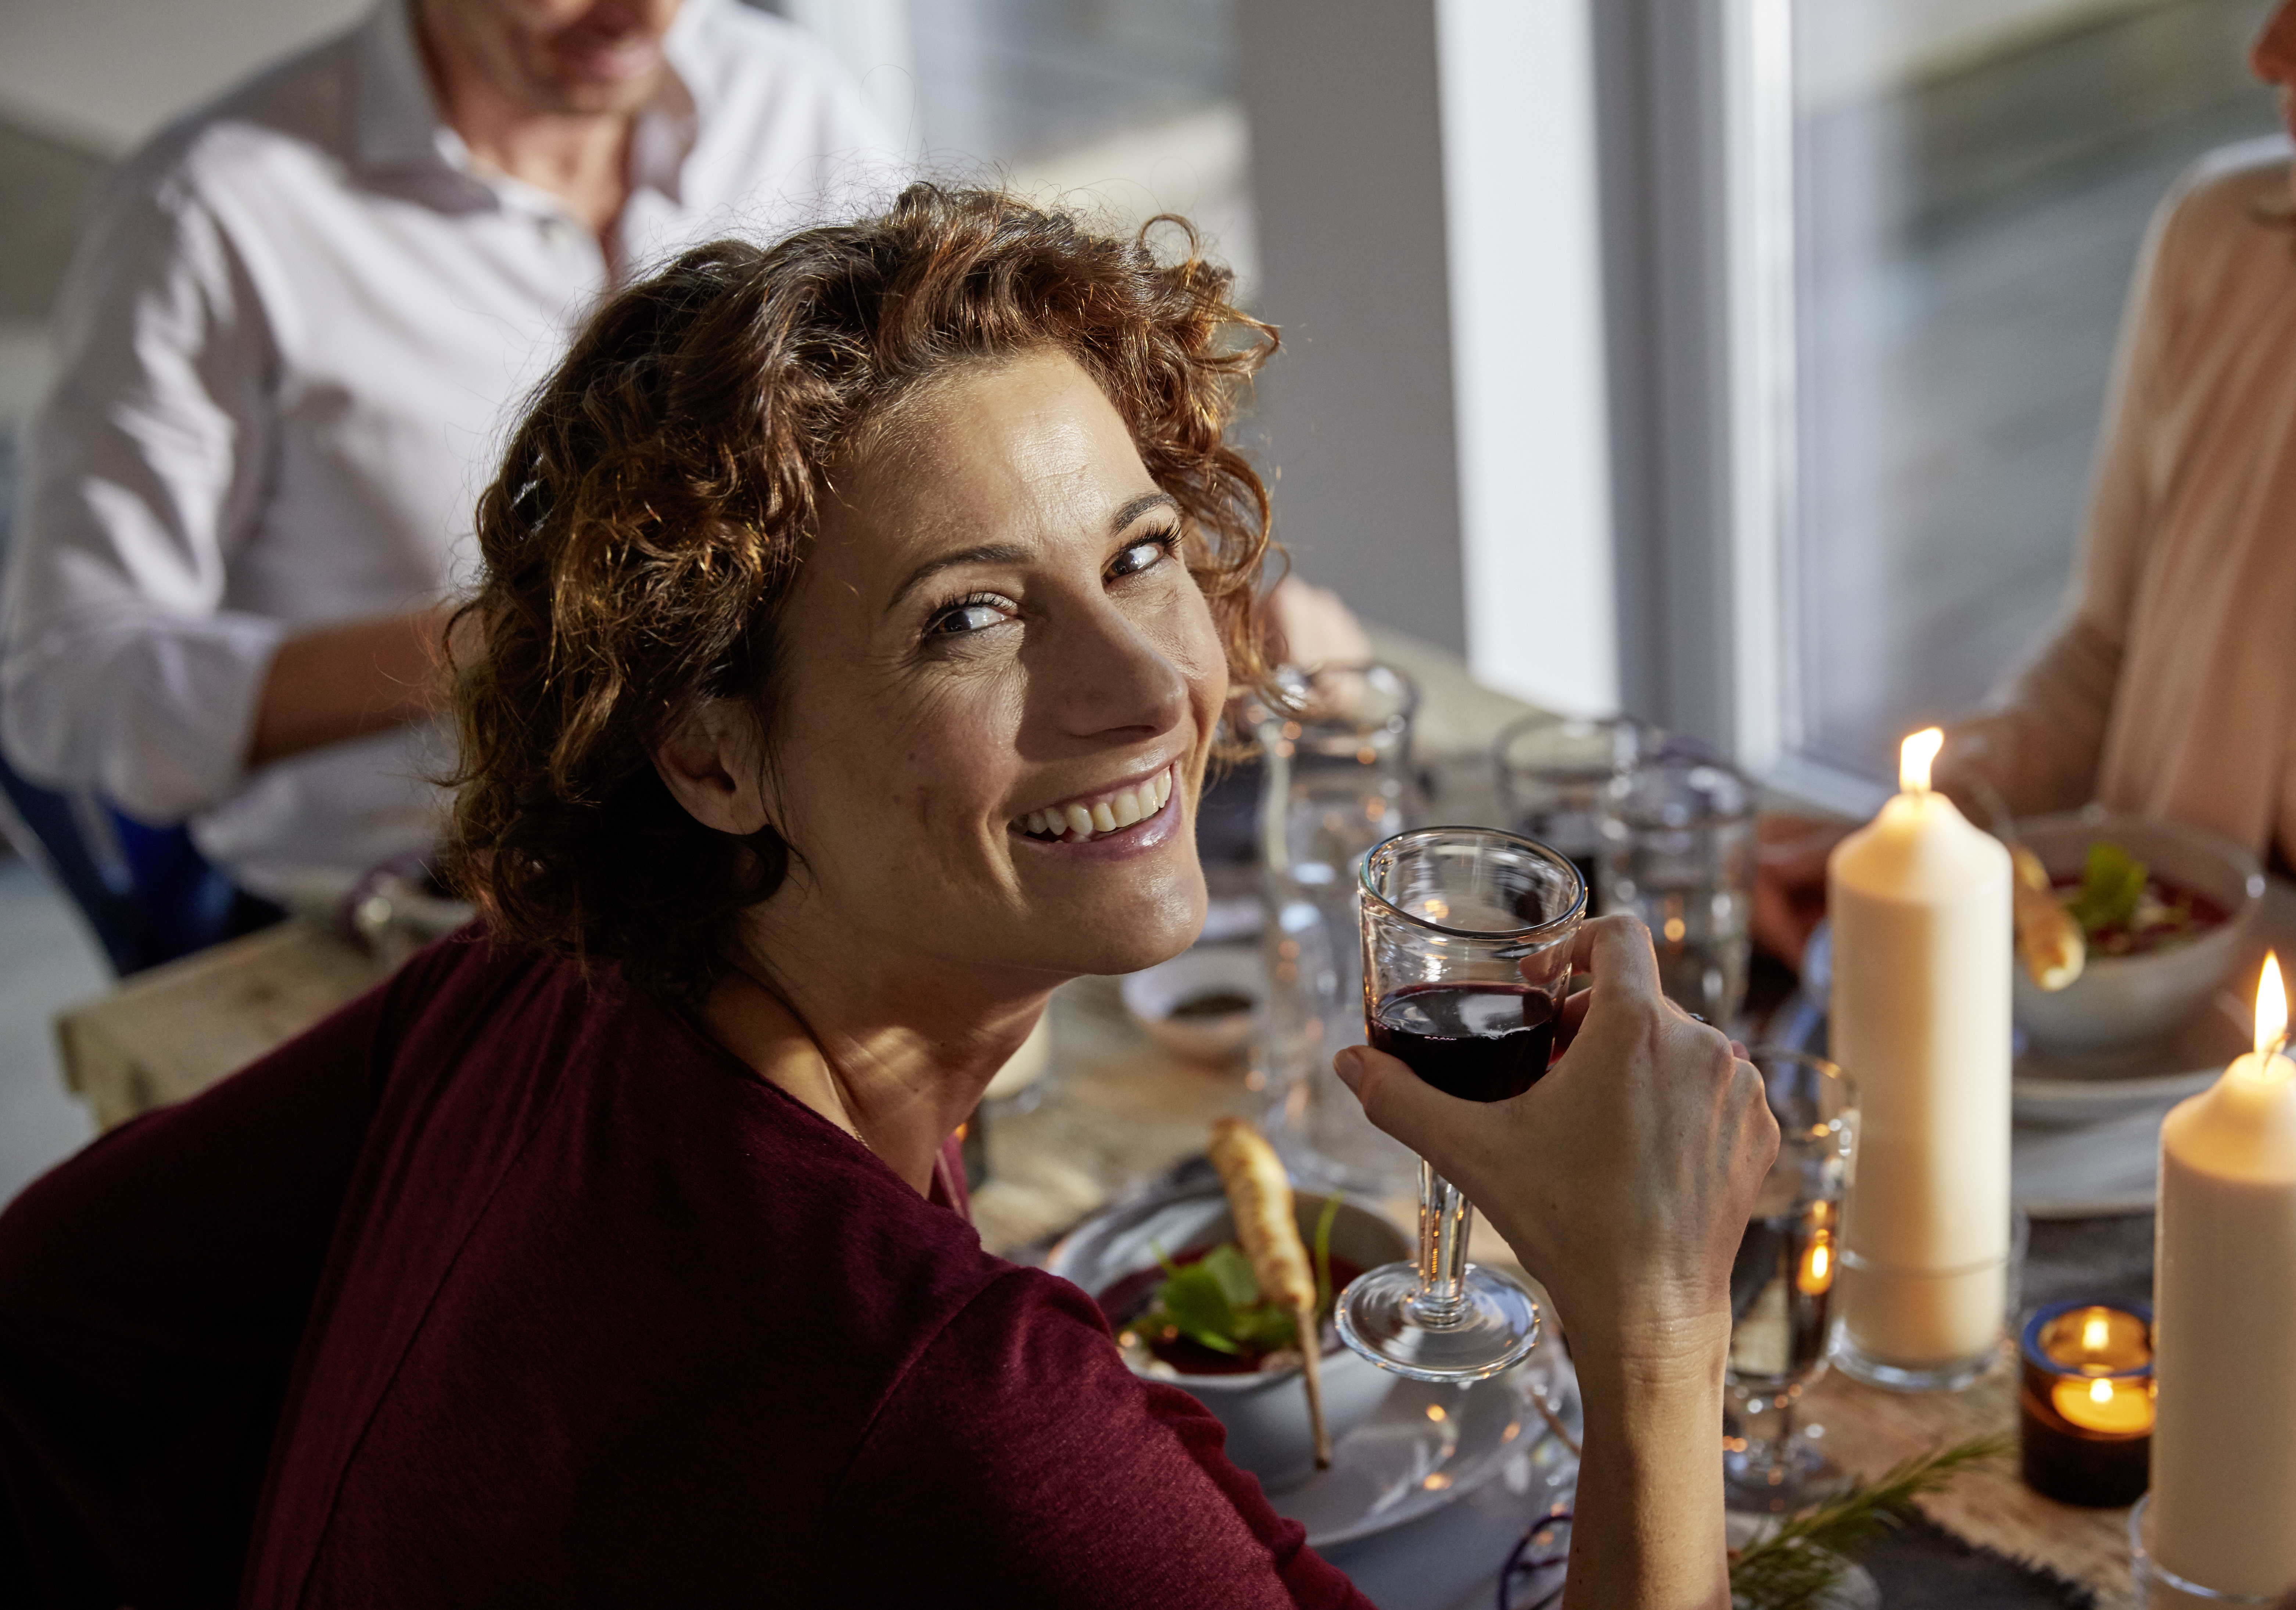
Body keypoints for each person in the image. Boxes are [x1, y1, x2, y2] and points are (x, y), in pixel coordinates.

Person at [0, 187, 1778, 1608]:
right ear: (710, 755)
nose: (1147, 688)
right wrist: (1652, 1319)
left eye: (1140, 553)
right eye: (969, 617)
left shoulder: (527, 992)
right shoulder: (961, 1413)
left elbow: (53, 1320)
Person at [0, 0, 894, 904]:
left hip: (787, 853)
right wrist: (516, 639)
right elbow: (68, 685)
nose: (640, 15)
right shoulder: (214, 211)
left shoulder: (788, 101)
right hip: (420, 903)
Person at [1760, 0, 2296, 1082]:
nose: (2269, 51)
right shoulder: (2232, 245)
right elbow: (2109, 650)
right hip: (2138, 1091)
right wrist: (1935, 839)